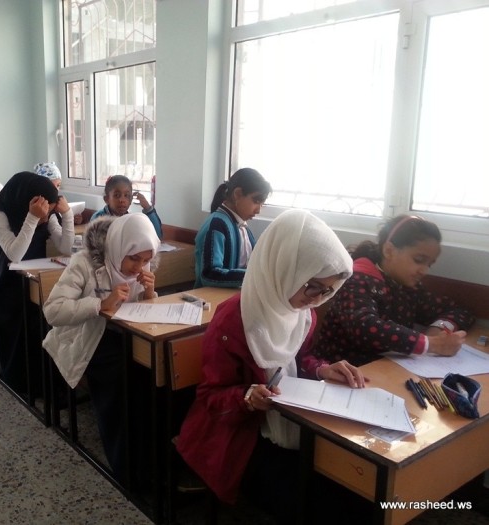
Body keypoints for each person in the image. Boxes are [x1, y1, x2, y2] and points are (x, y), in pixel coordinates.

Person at [176, 209, 366, 524]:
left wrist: (322, 369)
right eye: (313, 286)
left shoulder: (302, 313)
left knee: (353, 490)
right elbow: (210, 396)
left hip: (287, 422)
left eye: (327, 291)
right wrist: (248, 398)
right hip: (242, 435)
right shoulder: (234, 319)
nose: (317, 299)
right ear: (286, 268)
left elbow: (296, 359)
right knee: (321, 503)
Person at [42, 213, 160, 484]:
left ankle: (150, 463)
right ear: (119, 247)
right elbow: (53, 311)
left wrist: (149, 294)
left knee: (151, 380)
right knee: (120, 384)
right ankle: (127, 470)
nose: (138, 267)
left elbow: (142, 314)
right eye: (133, 259)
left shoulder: (142, 267)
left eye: (145, 260)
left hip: (127, 337)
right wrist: (100, 304)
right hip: (88, 338)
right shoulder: (84, 263)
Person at [314, 214, 474, 367]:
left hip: (385, 369)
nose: (424, 271)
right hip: (340, 372)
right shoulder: (356, 280)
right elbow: (364, 327)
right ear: (389, 251)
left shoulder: (407, 286)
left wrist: (438, 328)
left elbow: (459, 310)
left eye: (429, 264)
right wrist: (430, 344)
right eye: (419, 260)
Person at [0, 171, 74, 392]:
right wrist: (33, 218)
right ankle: (19, 382)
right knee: (18, 325)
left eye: (49, 211)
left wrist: (67, 214)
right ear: (29, 200)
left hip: (34, 278)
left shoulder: (46, 211)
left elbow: (65, 247)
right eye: (44, 210)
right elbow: (15, 254)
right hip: (5, 281)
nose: (46, 216)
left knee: (42, 325)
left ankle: (43, 383)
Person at [194, 167, 272, 288]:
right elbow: (209, 275)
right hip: (210, 297)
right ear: (238, 194)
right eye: (256, 202)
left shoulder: (244, 228)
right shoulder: (217, 225)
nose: (258, 210)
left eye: (262, 204)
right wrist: (253, 276)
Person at [90, 175, 163, 239]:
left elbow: (157, 236)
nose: (122, 200)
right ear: (106, 199)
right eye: (117, 195)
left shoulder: (130, 220)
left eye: (126, 195)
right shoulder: (98, 218)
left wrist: (147, 208)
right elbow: (93, 244)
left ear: (131, 200)